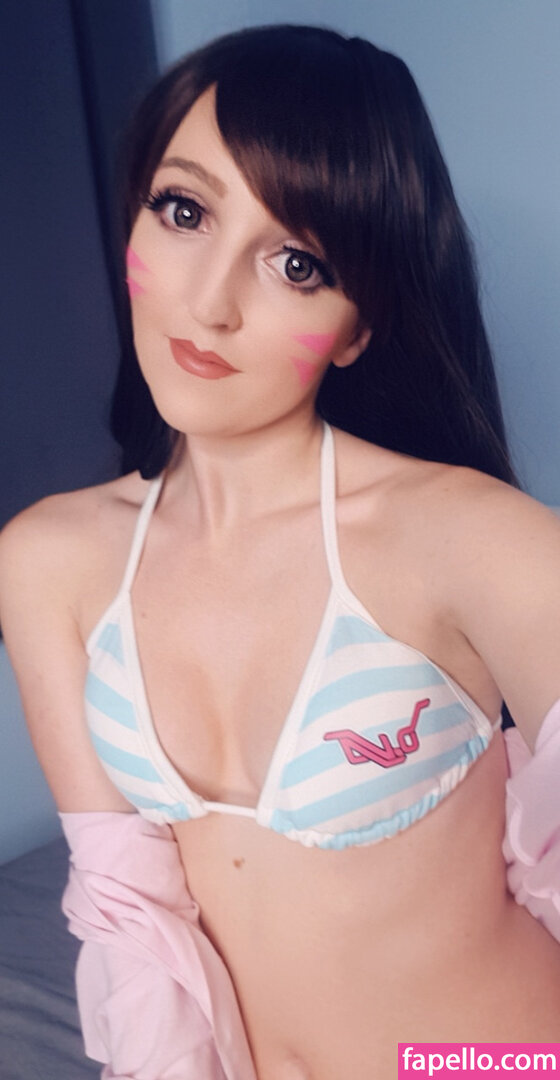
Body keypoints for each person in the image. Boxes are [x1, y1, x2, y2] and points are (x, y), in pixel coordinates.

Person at [1, 23, 560, 1080]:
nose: (210, 303)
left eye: (296, 263)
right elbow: (126, 909)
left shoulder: (474, 541)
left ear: (358, 325)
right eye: (184, 211)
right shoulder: (48, 562)